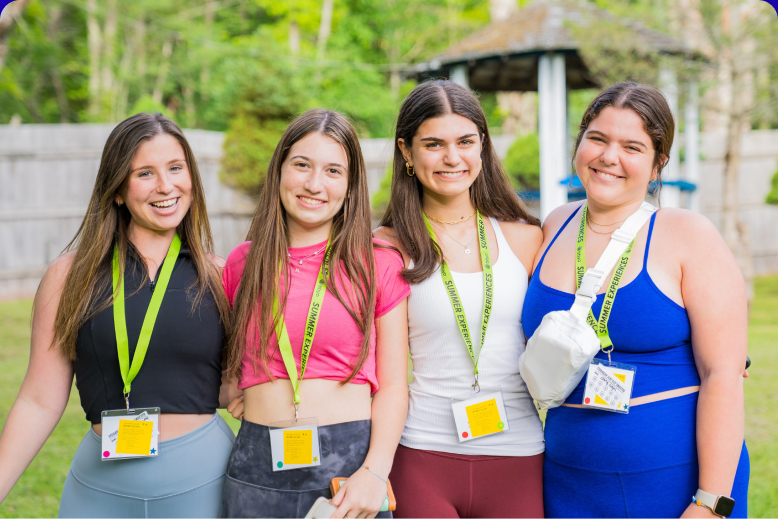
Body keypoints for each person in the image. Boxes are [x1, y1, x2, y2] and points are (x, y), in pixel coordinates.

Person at [522, 82, 750, 518]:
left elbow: (723, 373)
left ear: (657, 162)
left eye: (632, 146)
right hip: (568, 482)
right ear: (580, 143)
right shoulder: (553, 225)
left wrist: (710, 503)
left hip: (674, 484)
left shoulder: (689, 234)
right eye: (597, 138)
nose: (610, 157)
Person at [0, 113, 240, 517]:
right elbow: (39, 400)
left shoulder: (222, 276)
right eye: (145, 173)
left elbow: (239, 389)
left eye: (176, 168)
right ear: (116, 190)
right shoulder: (68, 277)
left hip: (204, 488)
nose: (166, 186)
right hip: (99, 494)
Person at [220, 109, 410, 519]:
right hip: (256, 473)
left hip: (348, 474)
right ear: (280, 171)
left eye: (333, 171)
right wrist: (235, 388)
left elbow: (394, 386)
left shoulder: (377, 263)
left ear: (350, 185)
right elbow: (223, 371)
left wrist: (374, 472)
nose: (313, 184)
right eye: (301, 165)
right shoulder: (241, 265)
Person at [374, 80, 546, 518]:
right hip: (423, 456)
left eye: (466, 141)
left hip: (519, 456)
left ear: (483, 147)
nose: (453, 158)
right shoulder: (386, 247)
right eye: (434, 144)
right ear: (406, 152)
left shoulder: (525, 239)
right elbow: (384, 375)